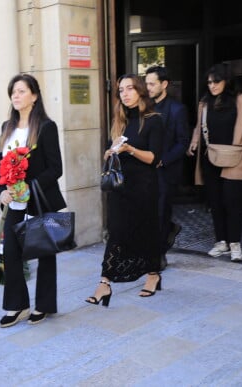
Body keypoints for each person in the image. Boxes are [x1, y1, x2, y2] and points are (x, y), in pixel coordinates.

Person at [0, 73, 66, 327]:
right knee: (11, 253)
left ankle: (43, 305)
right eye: (13, 91)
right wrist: (1, 189)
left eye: (21, 91)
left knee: (44, 252)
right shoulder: (7, 128)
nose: (16, 95)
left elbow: (55, 168)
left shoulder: (46, 127)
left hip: (38, 199)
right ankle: (17, 305)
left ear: (34, 96)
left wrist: (28, 186)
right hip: (12, 202)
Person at [85, 73, 164, 304]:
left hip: (144, 188)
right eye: (121, 90)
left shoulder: (154, 120)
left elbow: (153, 157)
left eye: (129, 88)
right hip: (121, 189)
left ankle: (153, 275)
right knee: (116, 231)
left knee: (147, 232)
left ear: (140, 90)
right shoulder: (120, 120)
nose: (125, 93)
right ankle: (104, 284)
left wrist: (129, 149)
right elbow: (111, 151)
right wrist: (109, 152)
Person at [187, 63, 242, 261]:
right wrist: (194, 141)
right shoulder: (204, 102)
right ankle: (221, 242)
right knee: (216, 203)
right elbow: (199, 126)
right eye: (209, 82)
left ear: (227, 81)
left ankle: (235, 244)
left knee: (233, 202)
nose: (212, 85)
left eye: (216, 81)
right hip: (210, 157)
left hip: (236, 158)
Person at [145, 66, 189, 270]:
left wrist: (164, 160)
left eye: (152, 83)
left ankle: (159, 254)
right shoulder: (144, 107)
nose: (148, 88)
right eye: (146, 83)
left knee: (161, 212)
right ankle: (170, 229)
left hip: (165, 170)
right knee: (148, 212)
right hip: (145, 169)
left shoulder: (177, 109)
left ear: (164, 84)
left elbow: (182, 142)